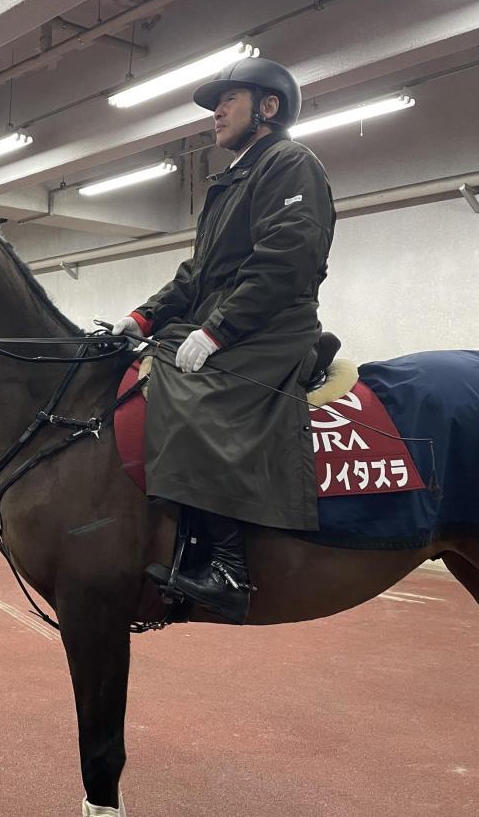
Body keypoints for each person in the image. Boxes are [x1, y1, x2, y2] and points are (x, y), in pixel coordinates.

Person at [112, 57, 336, 623]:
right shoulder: (231, 181)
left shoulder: (290, 163)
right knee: (150, 366)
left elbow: (287, 258)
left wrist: (218, 331)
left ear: (268, 107)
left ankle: (230, 565)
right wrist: (144, 318)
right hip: (226, 316)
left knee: (190, 393)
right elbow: (198, 274)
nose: (215, 112)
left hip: (272, 322)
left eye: (228, 99)